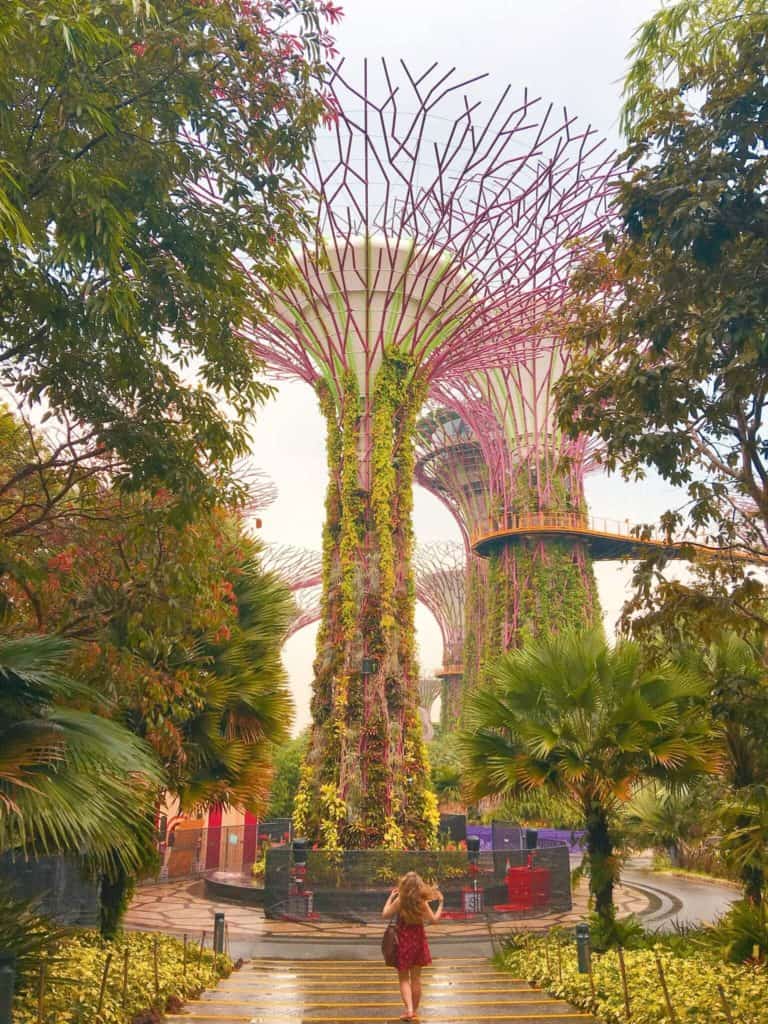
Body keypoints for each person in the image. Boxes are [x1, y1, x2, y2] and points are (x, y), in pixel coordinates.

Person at [381, 871, 444, 1021]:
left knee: (403, 979)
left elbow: (385, 914)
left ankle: (408, 1010)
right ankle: (414, 1011)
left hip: (403, 941)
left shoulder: (400, 901)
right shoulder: (422, 902)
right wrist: (440, 903)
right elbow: (434, 920)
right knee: (416, 979)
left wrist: (391, 897)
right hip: (418, 941)